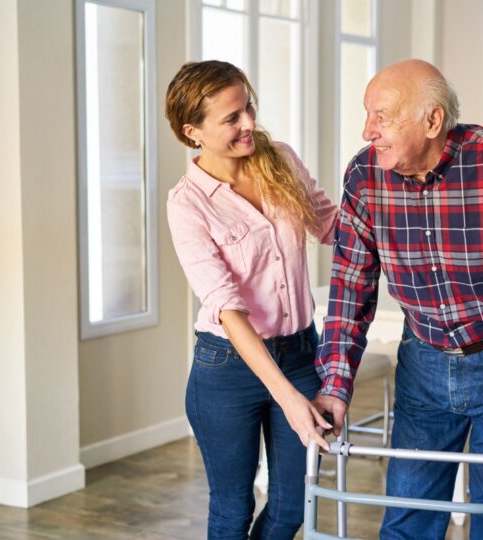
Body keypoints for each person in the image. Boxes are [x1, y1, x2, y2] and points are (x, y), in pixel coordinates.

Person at [314, 59, 483, 539]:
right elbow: (351, 287)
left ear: (432, 121)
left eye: (382, 117)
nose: (368, 131)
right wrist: (335, 385)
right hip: (423, 364)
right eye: (368, 115)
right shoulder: (365, 176)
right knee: (407, 519)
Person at [164, 60, 338, 540]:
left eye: (249, 108)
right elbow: (226, 305)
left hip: (301, 352)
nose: (249, 125)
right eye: (232, 118)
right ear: (192, 132)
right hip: (227, 369)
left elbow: (330, 225)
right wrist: (289, 398)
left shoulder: (278, 157)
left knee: (292, 505)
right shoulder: (187, 203)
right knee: (232, 508)